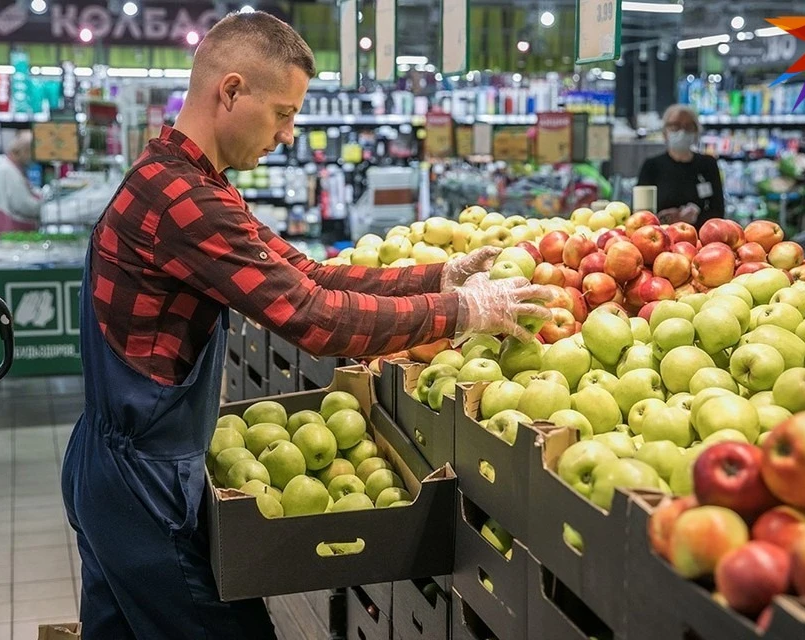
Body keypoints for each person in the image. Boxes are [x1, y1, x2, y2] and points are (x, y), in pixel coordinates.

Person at [60, 11, 553, 639]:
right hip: (142, 484)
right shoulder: (186, 203)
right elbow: (312, 317)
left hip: (113, 469)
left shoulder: (182, 181)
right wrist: (461, 313)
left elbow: (306, 275)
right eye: (283, 113)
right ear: (231, 91)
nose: (289, 134)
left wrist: (437, 278)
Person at [637, 105, 725, 228]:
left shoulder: (707, 164)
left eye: (688, 127)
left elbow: (718, 210)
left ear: (696, 132)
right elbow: (639, 214)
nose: (682, 131)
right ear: (665, 132)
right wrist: (663, 218)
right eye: (675, 126)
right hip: (659, 235)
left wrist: (695, 217)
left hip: (699, 238)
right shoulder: (652, 166)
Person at [0, 131, 42, 241]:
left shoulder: (5, 167)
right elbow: (22, 204)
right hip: (12, 230)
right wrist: (42, 206)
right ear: (25, 151)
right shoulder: (8, 170)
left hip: (4, 229)